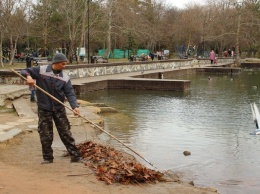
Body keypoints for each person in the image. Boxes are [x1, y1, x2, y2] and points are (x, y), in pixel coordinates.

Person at [20, 53, 82, 164]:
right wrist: (28, 77)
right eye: (63, 64)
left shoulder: (65, 78)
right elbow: (24, 71)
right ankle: (48, 158)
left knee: (65, 132)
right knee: (45, 133)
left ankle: (76, 156)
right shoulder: (41, 70)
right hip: (44, 108)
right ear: (56, 63)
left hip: (59, 109)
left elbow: (70, 93)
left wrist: (75, 106)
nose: (64, 66)